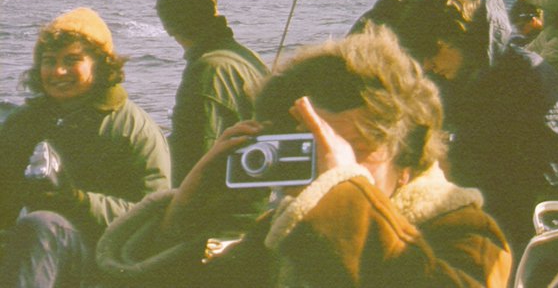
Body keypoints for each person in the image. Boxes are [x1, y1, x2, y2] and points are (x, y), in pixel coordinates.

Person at [95, 31, 512, 288]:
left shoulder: (468, 232)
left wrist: (342, 193)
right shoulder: (287, 232)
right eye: (311, 151)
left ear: (405, 155)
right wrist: (186, 209)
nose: (325, 171)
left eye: (355, 151)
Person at [358, 0, 558, 255]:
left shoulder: (528, 75)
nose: (430, 69)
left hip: (527, 218)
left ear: (445, 42)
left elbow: (551, 172)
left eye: (430, 61)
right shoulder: (463, 73)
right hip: (479, 203)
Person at [0, 8, 170, 288]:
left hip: (109, 258)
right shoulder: (24, 123)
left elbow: (153, 213)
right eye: (49, 61)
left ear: (101, 65)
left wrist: (79, 199)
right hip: (34, 247)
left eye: (72, 60)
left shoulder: (132, 128)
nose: (58, 71)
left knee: (42, 225)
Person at [155, 0, 268, 186]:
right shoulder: (246, 56)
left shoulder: (206, 71)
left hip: (224, 206)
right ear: (214, 12)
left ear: (169, 28)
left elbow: (196, 159)